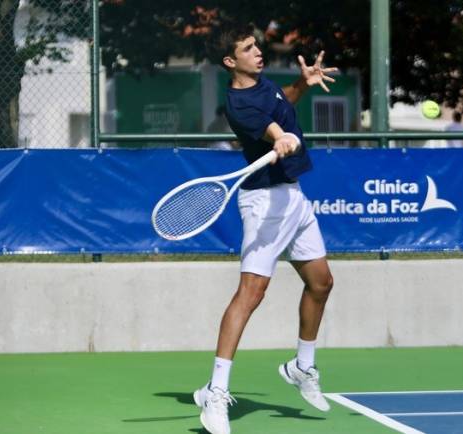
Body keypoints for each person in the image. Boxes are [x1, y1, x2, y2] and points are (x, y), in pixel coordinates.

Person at [193, 25, 338, 434]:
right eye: (248, 48)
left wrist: (303, 85)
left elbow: (282, 105)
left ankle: (302, 367)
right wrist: (281, 138)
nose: (258, 52)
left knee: (322, 283)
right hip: (264, 205)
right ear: (229, 61)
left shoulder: (264, 84)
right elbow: (272, 128)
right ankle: (216, 392)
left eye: (256, 45)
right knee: (251, 293)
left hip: (293, 197)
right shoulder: (237, 104)